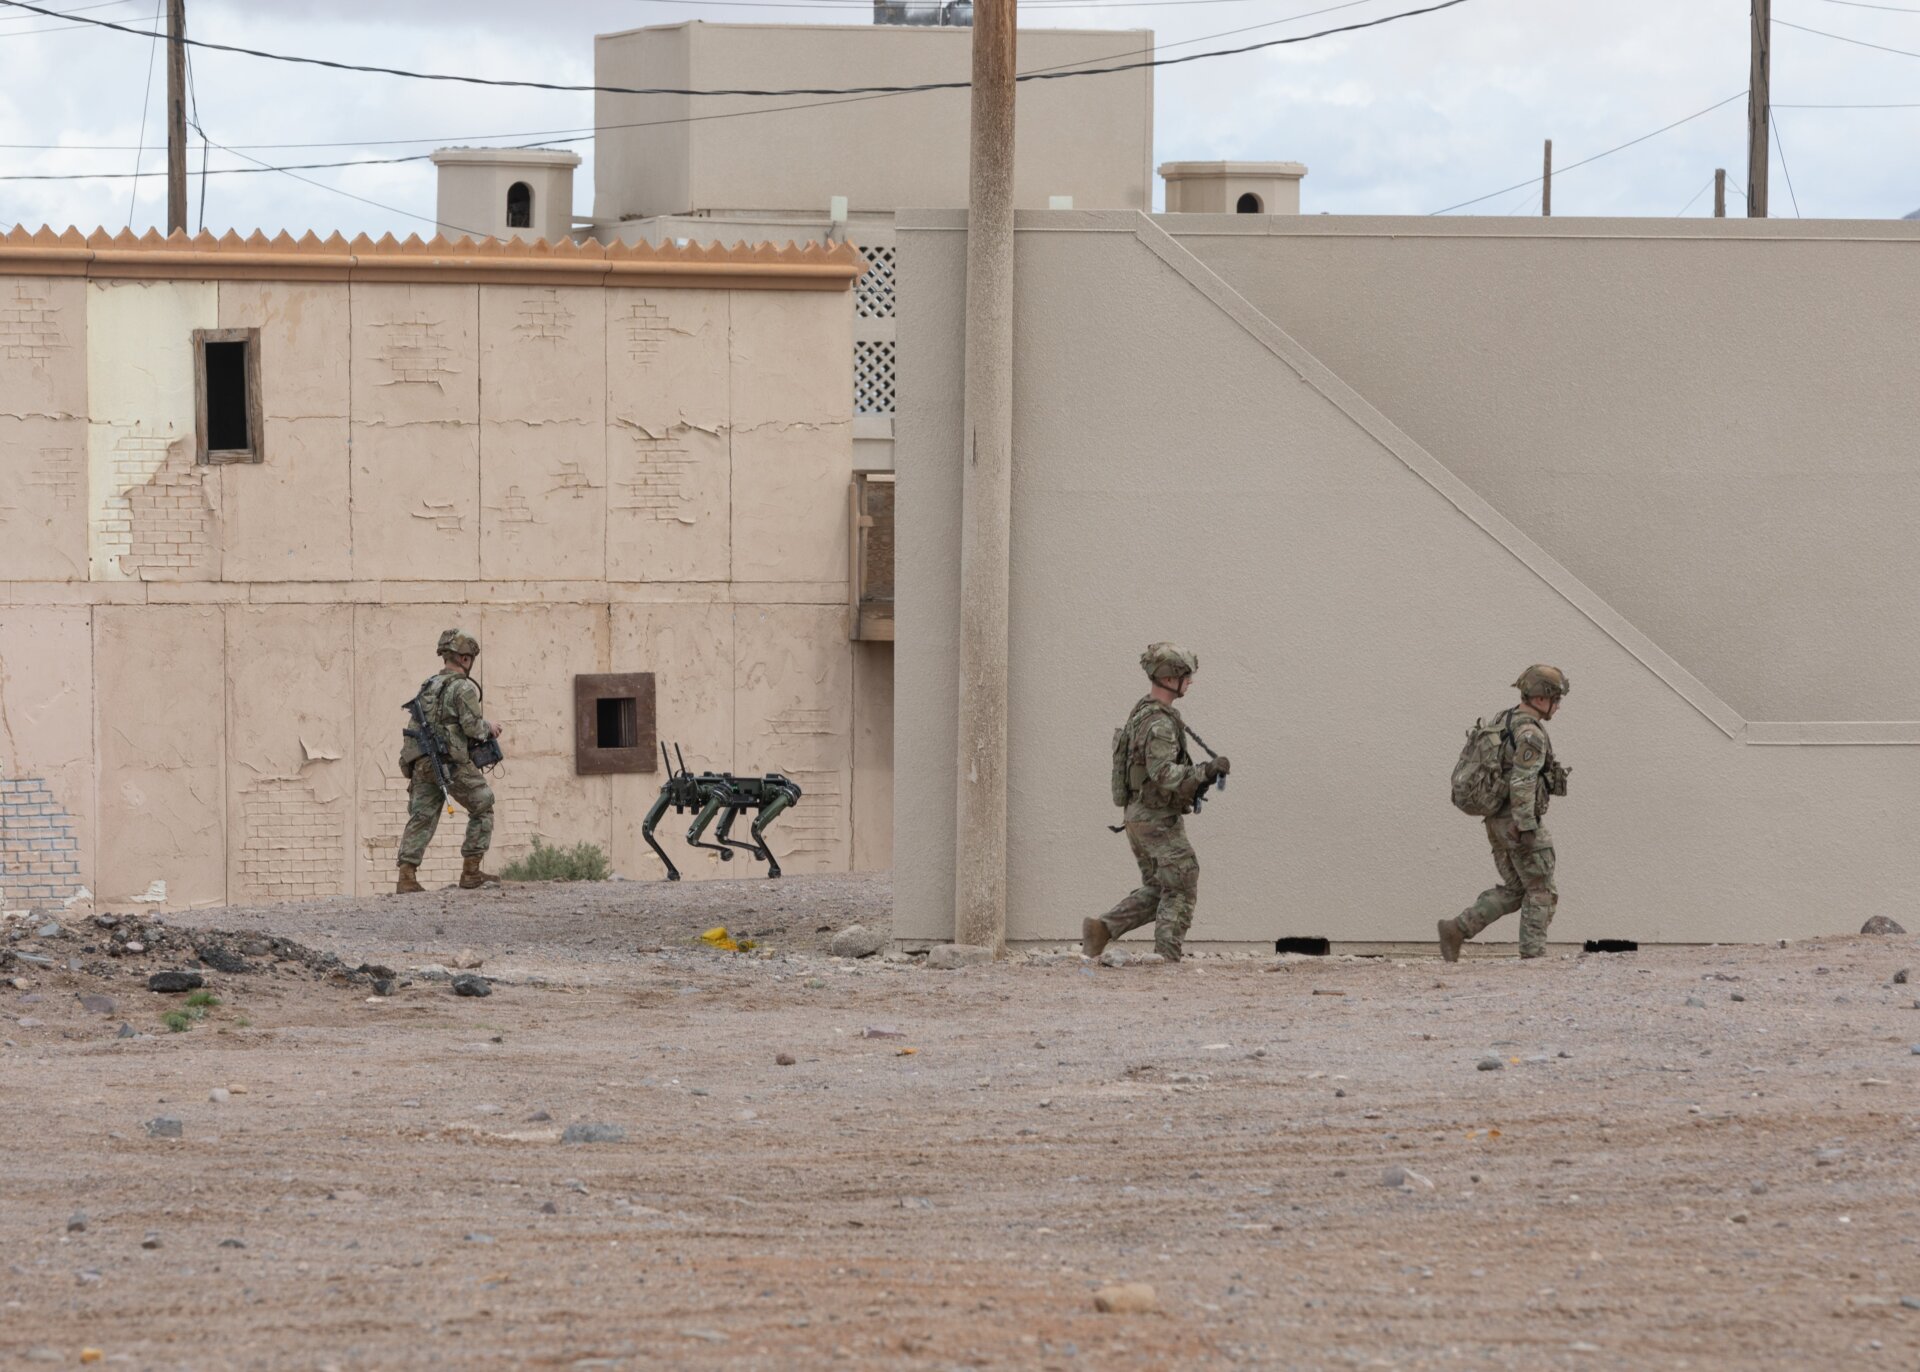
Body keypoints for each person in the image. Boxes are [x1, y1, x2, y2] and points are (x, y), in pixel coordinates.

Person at [1082, 642, 1229, 963]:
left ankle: (1102, 929)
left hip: (1138, 816)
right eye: (1186, 676)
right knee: (1182, 882)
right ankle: (1166, 959)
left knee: (1162, 886)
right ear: (1169, 678)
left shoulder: (1143, 713)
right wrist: (1204, 771)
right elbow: (1162, 773)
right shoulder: (1159, 723)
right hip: (1156, 818)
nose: (1190, 682)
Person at [1438, 665, 1571, 961]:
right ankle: (1533, 956)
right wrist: (1526, 826)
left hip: (1496, 820)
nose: (1558, 706)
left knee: (1516, 889)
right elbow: (1523, 781)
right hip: (1517, 822)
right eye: (1556, 699)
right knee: (1541, 889)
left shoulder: (1503, 719)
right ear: (1541, 698)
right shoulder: (1530, 734)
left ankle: (1456, 929)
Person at [394, 629, 505, 893]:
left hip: (423, 763)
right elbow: (472, 727)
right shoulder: (463, 687)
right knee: (483, 805)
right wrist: (489, 728)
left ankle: (406, 877)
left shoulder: (428, 685)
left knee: (421, 817)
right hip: (451, 763)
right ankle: (471, 872)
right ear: (465, 658)